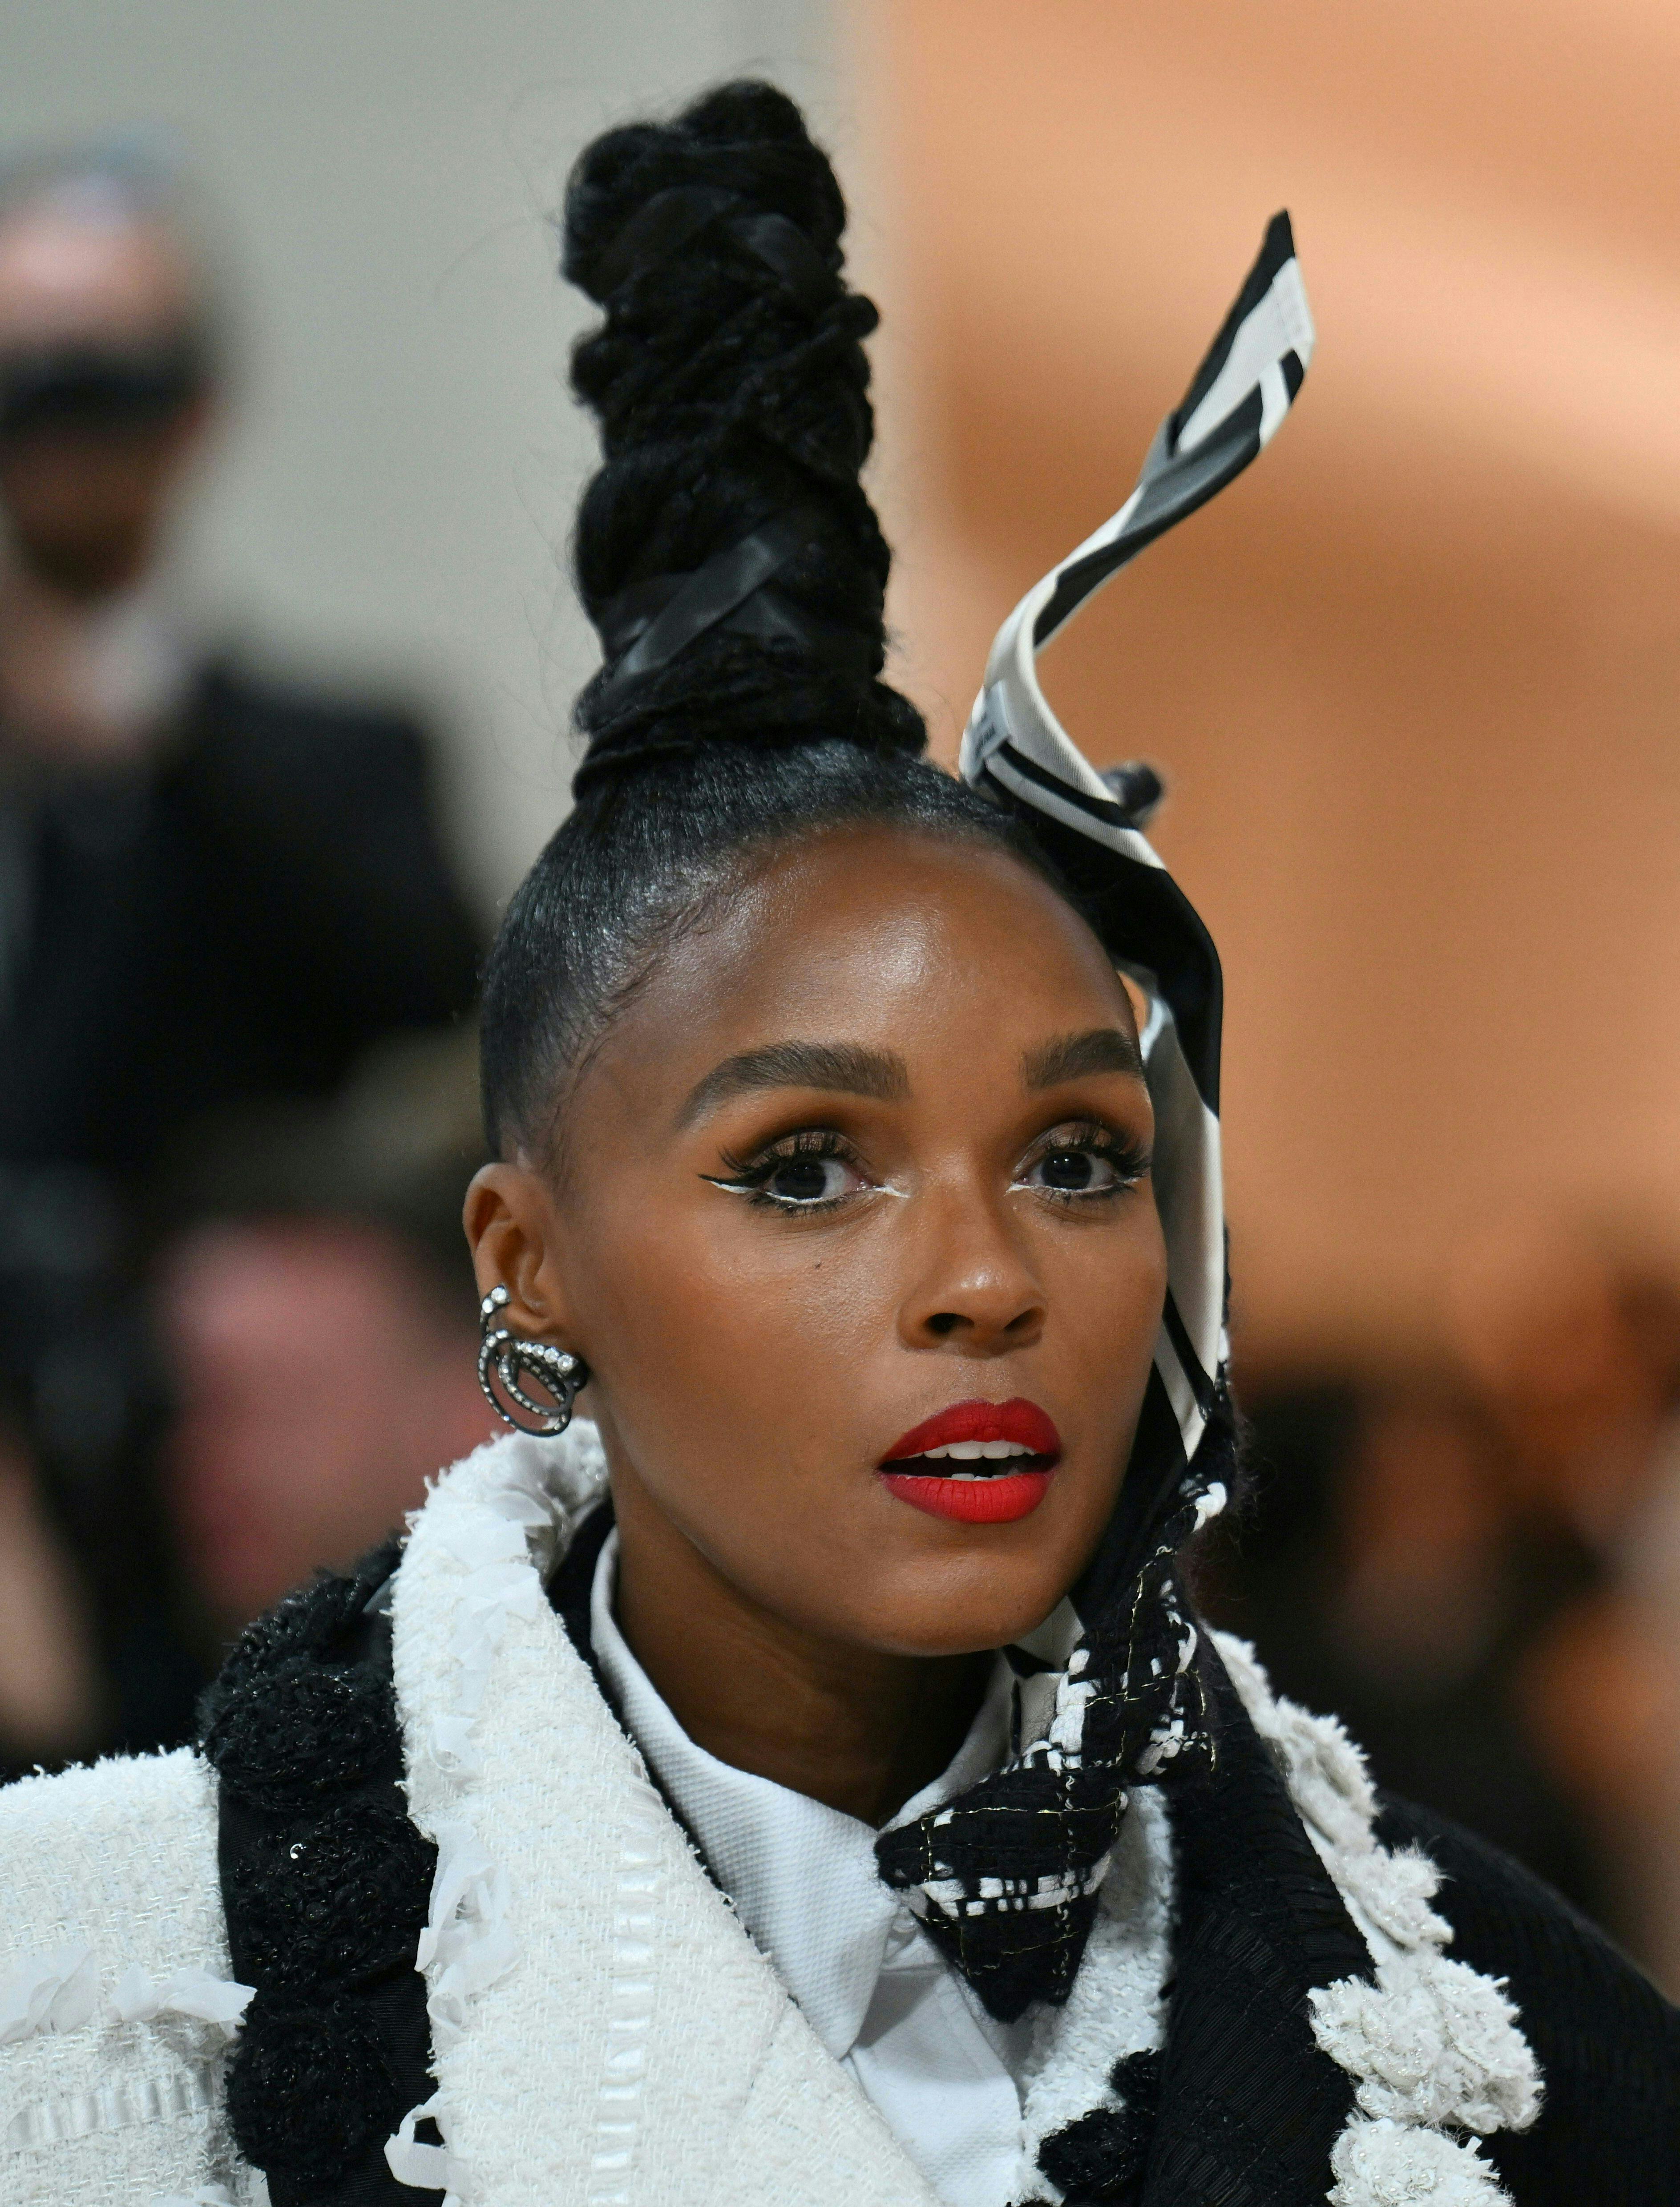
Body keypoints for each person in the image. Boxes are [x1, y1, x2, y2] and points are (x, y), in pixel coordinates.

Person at [0, 84, 1672, 2207]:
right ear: (528, 1268)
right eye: (804, 1166)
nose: (988, 1274)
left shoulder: (1486, 2027)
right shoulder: (104, 2007)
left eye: (1075, 1155)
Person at [0, 141, 482, 1762]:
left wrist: (151, 739)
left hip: (232, 1479)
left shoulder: (317, 758)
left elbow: (436, 992)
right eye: (24, 375)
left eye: (108, 371)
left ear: (197, 404)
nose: (59, 419)